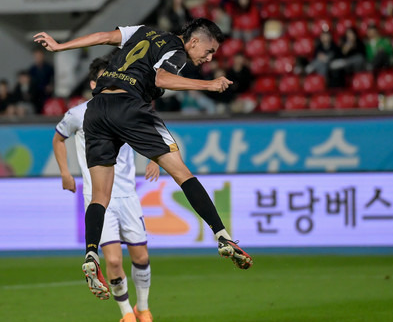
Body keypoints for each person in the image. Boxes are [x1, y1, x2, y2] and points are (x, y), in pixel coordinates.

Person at [34, 18, 253, 301]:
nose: (209, 58)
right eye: (209, 51)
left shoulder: (142, 32)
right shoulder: (176, 50)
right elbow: (162, 79)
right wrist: (209, 85)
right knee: (181, 172)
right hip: (129, 106)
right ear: (194, 40)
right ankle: (222, 235)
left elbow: (103, 36)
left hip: (97, 110)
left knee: (100, 195)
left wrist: (61, 46)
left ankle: (90, 253)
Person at [53, 57, 160, 322]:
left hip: (127, 194)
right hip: (99, 198)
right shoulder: (79, 114)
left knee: (141, 255)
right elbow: (58, 137)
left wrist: (155, 159)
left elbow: (149, 132)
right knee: (112, 262)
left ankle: (144, 308)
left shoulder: (126, 108)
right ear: (92, 85)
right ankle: (127, 314)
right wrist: (65, 172)